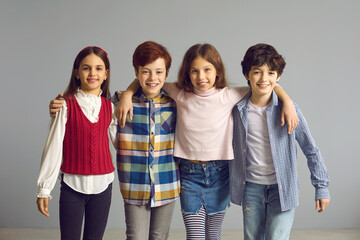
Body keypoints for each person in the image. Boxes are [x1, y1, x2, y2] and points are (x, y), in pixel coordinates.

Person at [116, 43, 299, 240]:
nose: (201, 77)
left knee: (213, 235)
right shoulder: (179, 93)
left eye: (207, 70)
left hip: (220, 175)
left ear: (217, 71)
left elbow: (263, 84)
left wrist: (286, 100)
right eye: (194, 71)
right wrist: (127, 94)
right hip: (189, 175)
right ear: (187, 73)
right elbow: (151, 82)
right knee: (195, 236)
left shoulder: (229, 95)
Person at [48, 41, 180, 240]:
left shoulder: (175, 102)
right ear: (136, 72)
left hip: (167, 183)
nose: (153, 77)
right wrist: (127, 94)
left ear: (166, 73)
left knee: (160, 236)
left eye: (159, 72)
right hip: (134, 185)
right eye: (145, 72)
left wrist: (129, 91)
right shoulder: (117, 103)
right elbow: (89, 104)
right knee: (135, 236)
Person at [229, 43, 330, 240]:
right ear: (246, 74)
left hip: (282, 187)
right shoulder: (236, 109)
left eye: (271, 73)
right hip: (251, 187)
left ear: (278, 76)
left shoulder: (289, 110)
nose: (264, 79)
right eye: (257, 72)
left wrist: (322, 187)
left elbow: (311, 150)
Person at [36, 46, 117, 240]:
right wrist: (44, 188)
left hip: (103, 186)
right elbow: (53, 147)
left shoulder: (111, 107)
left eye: (98, 68)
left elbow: (123, 145)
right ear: (76, 72)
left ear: (106, 74)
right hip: (72, 187)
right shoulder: (64, 105)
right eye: (86, 68)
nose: (92, 73)